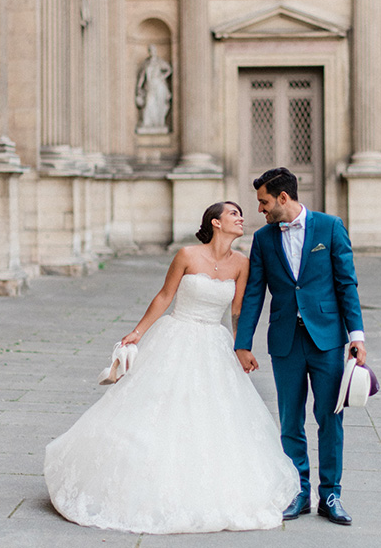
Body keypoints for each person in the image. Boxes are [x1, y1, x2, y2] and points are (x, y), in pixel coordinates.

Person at [44, 202, 299, 534]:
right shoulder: (187, 255)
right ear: (216, 222)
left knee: (211, 417)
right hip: (177, 335)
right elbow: (165, 296)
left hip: (214, 344)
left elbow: (238, 311)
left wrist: (242, 347)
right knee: (157, 408)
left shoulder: (242, 263)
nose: (241, 218)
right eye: (233, 214)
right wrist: (137, 332)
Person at [234, 167, 366, 526]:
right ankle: (298, 491)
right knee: (290, 421)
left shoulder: (330, 227)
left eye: (263, 202)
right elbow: (253, 295)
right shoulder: (262, 239)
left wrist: (357, 337)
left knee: (329, 418)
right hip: (285, 342)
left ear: (282, 198)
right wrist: (243, 343)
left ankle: (331, 494)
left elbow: (347, 285)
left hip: (327, 340)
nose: (259, 209)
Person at [134, 44, 172, 131]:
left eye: (153, 50)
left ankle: (159, 123)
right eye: (150, 50)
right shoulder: (146, 63)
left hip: (159, 85)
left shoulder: (159, 62)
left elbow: (169, 69)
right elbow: (142, 77)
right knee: (149, 103)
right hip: (150, 85)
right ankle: (147, 123)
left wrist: (162, 77)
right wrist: (139, 87)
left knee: (159, 103)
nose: (152, 52)